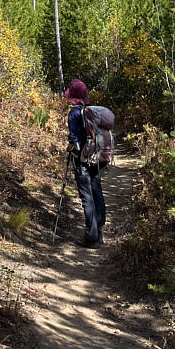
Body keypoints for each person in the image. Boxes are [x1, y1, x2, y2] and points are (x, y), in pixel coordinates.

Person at [66, 78, 106, 246]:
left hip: (81, 159)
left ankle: (91, 236)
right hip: (95, 158)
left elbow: (73, 139)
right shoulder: (90, 110)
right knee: (97, 191)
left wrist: (70, 149)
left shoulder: (74, 113)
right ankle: (100, 231)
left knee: (87, 196)